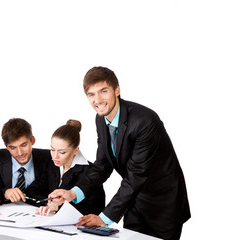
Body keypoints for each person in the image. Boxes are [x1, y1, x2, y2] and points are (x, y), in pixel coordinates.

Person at [50, 67, 191, 240]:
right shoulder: (101, 119)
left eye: (103, 91)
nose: (98, 100)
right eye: (91, 94)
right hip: (134, 202)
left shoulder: (144, 121)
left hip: (163, 205)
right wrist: (73, 193)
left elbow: (135, 176)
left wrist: (103, 218)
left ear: (117, 90)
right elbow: (102, 166)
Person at [27, 119, 105, 216]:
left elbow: (95, 209)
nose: (55, 156)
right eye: (52, 149)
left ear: (76, 150)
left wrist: (59, 207)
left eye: (62, 152)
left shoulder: (91, 172)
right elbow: (31, 190)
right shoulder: (52, 165)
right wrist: (49, 203)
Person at [0, 118, 52, 204]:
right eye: (12, 148)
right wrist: (4, 192)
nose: (20, 153)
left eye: (24, 145)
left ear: (32, 140)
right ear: (6, 146)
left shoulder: (50, 158)